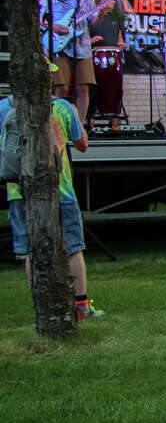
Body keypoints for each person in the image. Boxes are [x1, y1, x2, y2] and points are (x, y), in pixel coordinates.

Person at [1, 93, 104, 320]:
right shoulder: (62, 107)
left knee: (31, 251)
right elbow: (82, 144)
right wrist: (77, 118)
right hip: (61, 190)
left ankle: (44, 309)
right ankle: (81, 306)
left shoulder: (2, 107)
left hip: (19, 191)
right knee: (73, 247)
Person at [40, 0, 95, 119]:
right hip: (58, 44)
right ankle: (57, 122)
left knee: (83, 87)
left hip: (81, 45)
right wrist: (53, 26)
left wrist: (101, 13)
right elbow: (38, 17)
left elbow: (93, 21)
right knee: (61, 87)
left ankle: (80, 126)